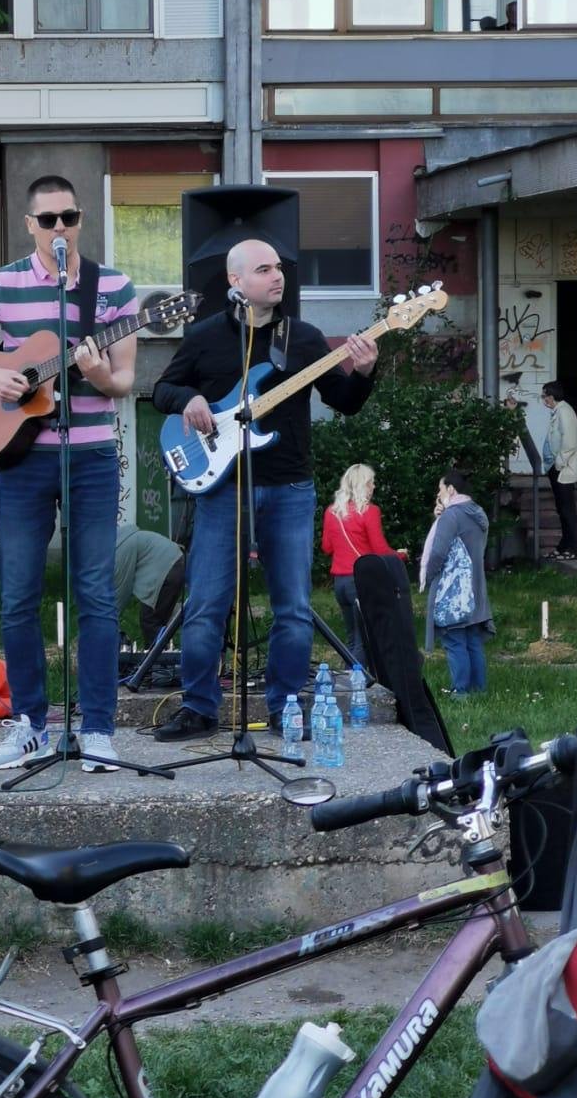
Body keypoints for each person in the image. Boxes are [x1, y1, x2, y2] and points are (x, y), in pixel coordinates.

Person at [0, 175, 138, 771]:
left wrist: (96, 375)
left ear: (80, 221)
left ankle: (97, 728)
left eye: (68, 218)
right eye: (46, 220)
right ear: (30, 225)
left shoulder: (113, 288)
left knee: (97, 595)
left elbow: (123, 383)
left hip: (93, 457)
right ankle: (29, 724)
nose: (58, 230)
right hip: (23, 459)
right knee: (18, 596)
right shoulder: (4, 283)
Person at [150, 240, 378, 741]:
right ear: (237, 282)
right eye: (264, 269)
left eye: (279, 267)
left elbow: (345, 402)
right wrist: (188, 398)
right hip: (223, 488)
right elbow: (162, 390)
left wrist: (363, 370)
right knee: (206, 603)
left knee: (293, 608)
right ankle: (199, 707)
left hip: (290, 487)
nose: (278, 276)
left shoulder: (305, 339)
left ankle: (285, 709)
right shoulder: (206, 337)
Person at [320, 463, 404, 667]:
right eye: (371, 482)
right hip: (360, 582)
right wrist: (400, 556)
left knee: (352, 638)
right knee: (363, 641)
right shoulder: (370, 511)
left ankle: (351, 679)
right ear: (362, 485)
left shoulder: (332, 512)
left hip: (340, 583)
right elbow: (380, 550)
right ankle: (357, 687)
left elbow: (327, 547)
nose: (373, 486)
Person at [420, 467, 493, 696]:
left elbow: (439, 552)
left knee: (454, 640)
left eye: (440, 489)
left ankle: (460, 692)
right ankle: (478, 691)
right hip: (475, 588)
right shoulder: (477, 512)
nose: (438, 494)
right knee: (472, 640)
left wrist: (429, 576)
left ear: (450, 490)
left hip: (453, 590)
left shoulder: (452, 516)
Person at [114, 524, 186, 649]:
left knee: (149, 620)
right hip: (176, 563)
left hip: (166, 570)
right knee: (159, 618)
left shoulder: (121, 547)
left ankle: (157, 661)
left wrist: (109, 617)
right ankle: (181, 616)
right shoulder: (131, 536)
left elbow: (122, 588)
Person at [540, 380, 577, 561]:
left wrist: (559, 462)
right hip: (557, 467)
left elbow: (569, 442)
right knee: (561, 508)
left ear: (551, 396)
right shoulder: (558, 412)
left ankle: (573, 547)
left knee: (567, 509)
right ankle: (564, 545)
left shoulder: (565, 412)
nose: (543, 400)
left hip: (564, 468)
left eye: (544, 396)